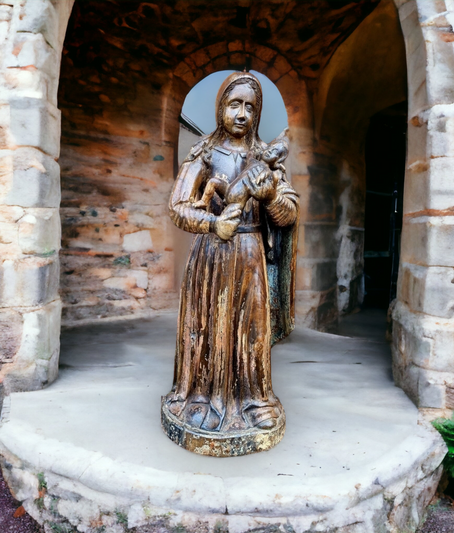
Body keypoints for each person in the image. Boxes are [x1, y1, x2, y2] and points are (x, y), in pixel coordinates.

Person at [163, 72, 299, 449]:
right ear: (221, 107)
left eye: (250, 107)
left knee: (252, 330)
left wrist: (271, 196)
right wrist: (211, 223)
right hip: (212, 255)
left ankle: (253, 399)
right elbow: (177, 207)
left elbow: (288, 214)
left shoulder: (265, 158)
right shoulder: (204, 153)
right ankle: (200, 397)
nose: (242, 114)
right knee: (207, 327)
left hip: (250, 254)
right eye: (234, 104)